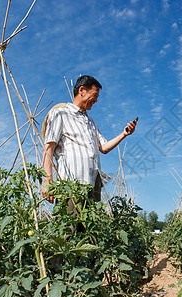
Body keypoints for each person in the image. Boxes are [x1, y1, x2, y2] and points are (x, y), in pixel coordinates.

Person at [41, 75, 137, 204]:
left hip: (92, 186)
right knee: (70, 223)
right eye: (95, 95)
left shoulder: (91, 122)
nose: (96, 100)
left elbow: (103, 148)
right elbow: (49, 148)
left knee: (92, 223)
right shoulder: (60, 114)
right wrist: (47, 180)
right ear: (81, 91)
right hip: (71, 187)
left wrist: (124, 134)